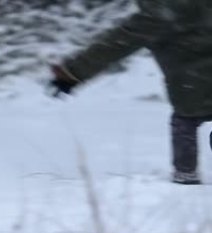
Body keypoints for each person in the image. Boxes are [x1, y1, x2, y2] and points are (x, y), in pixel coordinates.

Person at [49, 0, 212, 185]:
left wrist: (72, 73)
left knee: (185, 120)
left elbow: (114, 45)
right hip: (193, 79)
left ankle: (186, 174)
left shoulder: (159, 13)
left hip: (190, 81)